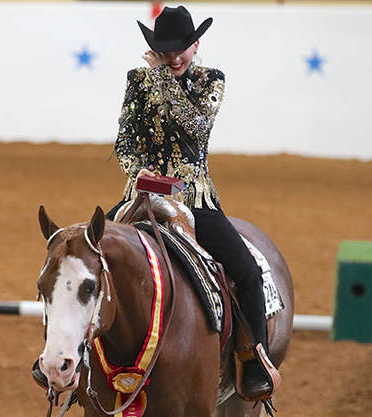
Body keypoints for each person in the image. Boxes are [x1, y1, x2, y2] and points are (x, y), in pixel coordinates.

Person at [107, 5, 279, 402]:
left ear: (196, 44)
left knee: (247, 271)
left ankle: (256, 361)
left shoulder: (210, 81)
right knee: (92, 254)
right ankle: (78, 357)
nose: (175, 57)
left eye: (182, 48)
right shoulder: (138, 81)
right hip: (143, 195)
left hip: (196, 200)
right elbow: (125, 141)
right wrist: (138, 174)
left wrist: (162, 80)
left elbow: (196, 126)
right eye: (167, 50)